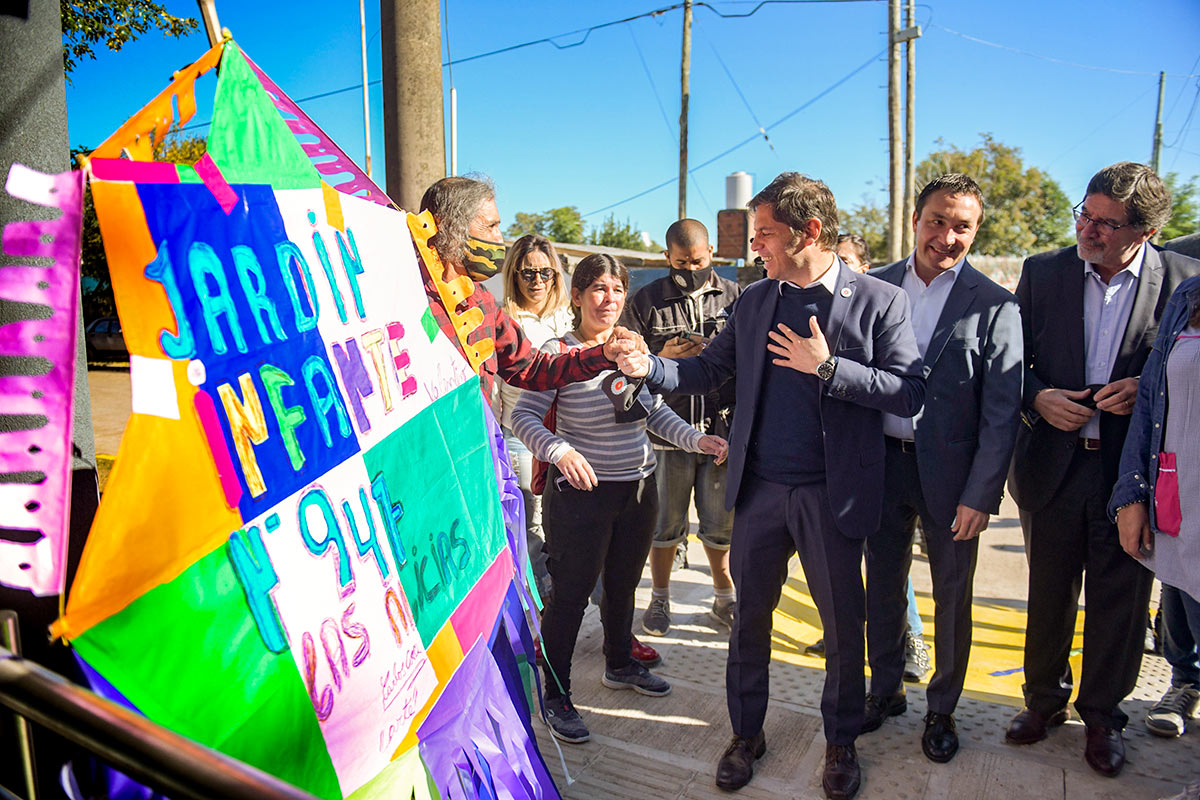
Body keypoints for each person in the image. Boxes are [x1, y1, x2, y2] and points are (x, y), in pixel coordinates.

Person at [618, 172, 924, 799]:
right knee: (748, 622)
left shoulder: (880, 301)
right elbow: (709, 368)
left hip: (833, 496)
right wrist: (652, 366)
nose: (756, 246)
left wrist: (832, 369)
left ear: (810, 231)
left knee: (843, 628)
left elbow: (911, 390)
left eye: (766, 234)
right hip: (758, 491)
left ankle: (840, 744)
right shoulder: (756, 300)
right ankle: (746, 734)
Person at [1005, 162, 1200, 777]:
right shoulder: (1043, 272)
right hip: (1052, 465)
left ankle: (1103, 717)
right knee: (1048, 592)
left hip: (1131, 475)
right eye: (1083, 216)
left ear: (1142, 231)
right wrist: (1038, 396)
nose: (1087, 231)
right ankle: (1043, 704)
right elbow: (1010, 360)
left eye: (1105, 224)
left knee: (1121, 599)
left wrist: (1146, 386)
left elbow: (1185, 370)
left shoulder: (1184, 281)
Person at [512, 253, 728, 745]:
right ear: (578, 296)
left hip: (638, 488)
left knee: (624, 587)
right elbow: (522, 416)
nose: (608, 299)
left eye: (616, 290)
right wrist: (559, 450)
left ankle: (619, 664)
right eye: (598, 289)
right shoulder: (558, 351)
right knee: (568, 596)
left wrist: (699, 441)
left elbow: (653, 413)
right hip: (581, 496)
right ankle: (557, 692)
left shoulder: (630, 350)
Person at [861, 174, 1023, 763]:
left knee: (952, 597)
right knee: (880, 588)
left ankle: (942, 708)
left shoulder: (996, 304)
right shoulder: (872, 286)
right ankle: (882, 692)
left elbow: (1002, 412)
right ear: (915, 219)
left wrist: (982, 493)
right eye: (937, 221)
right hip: (880, 468)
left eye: (962, 226)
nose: (947, 237)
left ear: (975, 231)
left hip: (954, 482)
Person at [417, 176, 644, 402]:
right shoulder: (411, 298)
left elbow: (532, 369)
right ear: (449, 229)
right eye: (491, 226)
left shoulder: (481, 299)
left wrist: (603, 353)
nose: (499, 238)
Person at [620, 218, 740, 637]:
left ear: (712, 255)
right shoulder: (646, 300)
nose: (692, 268)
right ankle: (660, 599)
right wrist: (662, 354)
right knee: (666, 523)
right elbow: (626, 365)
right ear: (667, 258)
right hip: (666, 432)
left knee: (719, 524)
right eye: (683, 261)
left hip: (720, 428)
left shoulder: (734, 295)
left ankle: (725, 599)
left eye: (700, 260)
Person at [1109, 273, 1200, 796]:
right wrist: (1132, 494)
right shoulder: (1189, 297)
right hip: (1180, 505)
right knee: (1185, 617)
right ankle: (1185, 682)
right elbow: (1151, 403)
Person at [496, 235, 574, 602]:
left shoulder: (569, 316)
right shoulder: (503, 320)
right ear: (514, 275)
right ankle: (544, 603)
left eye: (546, 272)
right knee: (532, 523)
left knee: (567, 522)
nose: (538, 281)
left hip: (570, 437)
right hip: (520, 434)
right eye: (528, 273)